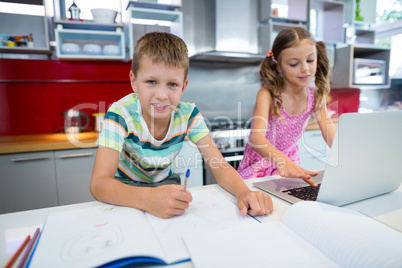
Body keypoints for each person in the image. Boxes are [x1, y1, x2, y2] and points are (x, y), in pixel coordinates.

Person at [90, 31, 273, 219]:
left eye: (172, 84)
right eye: (151, 82)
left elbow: (218, 164)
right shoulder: (120, 113)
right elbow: (99, 184)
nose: (161, 95)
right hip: (125, 192)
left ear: (184, 86)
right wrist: (147, 198)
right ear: (134, 81)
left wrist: (243, 192)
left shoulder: (188, 114)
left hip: (165, 186)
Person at [237, 27, 336, 186]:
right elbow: (256, 138)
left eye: (310, 60)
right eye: (294, 64)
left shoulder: (315, 96)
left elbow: (329, 131)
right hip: (260, 168)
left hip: (290, 167)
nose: (305, 68)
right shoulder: (268, 94)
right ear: (278, 66)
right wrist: (282, 161)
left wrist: (347, 154)